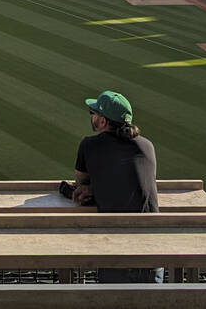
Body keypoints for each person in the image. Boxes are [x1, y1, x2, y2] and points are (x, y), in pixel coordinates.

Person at [74, 90, 161, 284]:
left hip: (116, 250)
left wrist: (92, 189)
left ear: (103, 121)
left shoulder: (89, 145)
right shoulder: (147, 146)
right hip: (153, 250)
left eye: (94, 113)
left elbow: (81, 186)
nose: (93, 116)